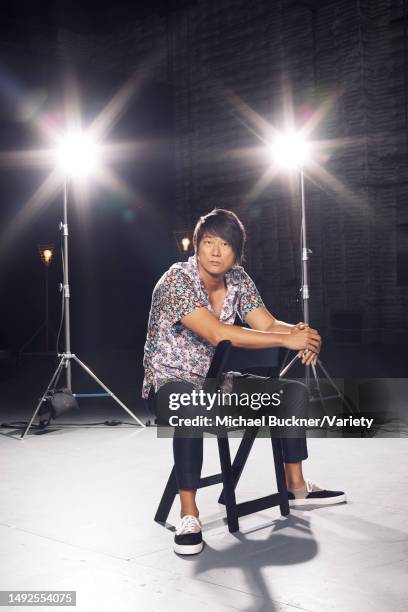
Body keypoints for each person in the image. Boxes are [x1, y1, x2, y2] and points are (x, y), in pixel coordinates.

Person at [142, 208, 346, 555]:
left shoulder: (238, 279)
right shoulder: (177, 281)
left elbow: (266, 324)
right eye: (209, 242)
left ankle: (295, 487)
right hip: (169, 382)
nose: (216, 251)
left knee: (291, 392)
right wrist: (288, 341)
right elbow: (219, 333)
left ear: (237, 252)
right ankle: (189, 513)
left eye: (225, 244)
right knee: (189, 406)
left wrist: (303, 333)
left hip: (216, 383)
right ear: (197, 246)